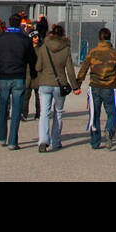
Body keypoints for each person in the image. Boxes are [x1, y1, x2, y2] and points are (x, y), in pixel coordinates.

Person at [0, 13, 36, 150]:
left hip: (4, 76)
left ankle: (1, 137)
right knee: (16, 110)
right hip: (19, 75)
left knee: (3, 107)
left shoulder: (0, 38)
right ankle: (13, 141)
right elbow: (32, 59)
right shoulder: (25, 39)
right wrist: (34, 73)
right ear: (20, 24)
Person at [73, 27, 116, 151]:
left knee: (94, 114)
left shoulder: (93, 52)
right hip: (109, 87)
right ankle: (109, 130)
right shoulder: (115, 53)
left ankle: (95, 141)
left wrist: (78, 84)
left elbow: (84, 68)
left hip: (95, 86)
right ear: (109, 37)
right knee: (112, 113)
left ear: (99, 38)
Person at [35, 24, 78, 153]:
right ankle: (56, 141)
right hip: (60, 85)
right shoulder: (66, 49)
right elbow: (70, 69)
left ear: (51, 34)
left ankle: (43, 140)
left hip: (45, 83)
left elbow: (38, 67)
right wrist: (75, 86)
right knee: (58, 112)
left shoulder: (44, 47)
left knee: (44, 113)